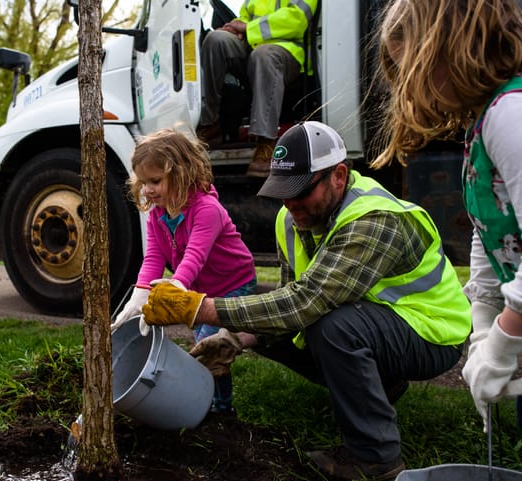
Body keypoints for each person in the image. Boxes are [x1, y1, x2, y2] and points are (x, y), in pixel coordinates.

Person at [139, 121, 471, 480]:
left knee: (334, 327)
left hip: (435, 333)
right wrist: (235, 340)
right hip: (379, 324)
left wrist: (199, 309)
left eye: (300, 191)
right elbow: (286, 304)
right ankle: (380, 386)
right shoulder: (289, 219)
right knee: (274, 325)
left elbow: (305, 303)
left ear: (339, 176)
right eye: (283, 191)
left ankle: (375, 458)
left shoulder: (373, 219)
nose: (290, 203)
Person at [372, 0, 522, 433]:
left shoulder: (510, 117)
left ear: (455, 47)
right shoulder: (484, 121)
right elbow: (489, 228)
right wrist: (482, 324)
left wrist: (504, 339)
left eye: (416, 68)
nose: (412, 88)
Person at [110, 127, 257, 414]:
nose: (148, 189)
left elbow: (195, 256)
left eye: (156, 181)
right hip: (200, 289)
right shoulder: (158, 215)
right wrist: (139, 296)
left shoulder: (207, 209)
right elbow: (153, 256)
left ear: (181, 173)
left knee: (209, 343)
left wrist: (177, 285)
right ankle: (213, 400)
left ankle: (222, 408)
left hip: (232, 282)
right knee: (206, 341)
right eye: (143, 182)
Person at [195, 0, 317, 177]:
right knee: (216, 39)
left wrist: (248, 28)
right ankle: (211, 125)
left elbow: (296, 21)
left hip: (287, 52)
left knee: (263, 55)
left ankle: (266, 142)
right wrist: (234, 28)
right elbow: (245, 17)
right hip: (253, 45)